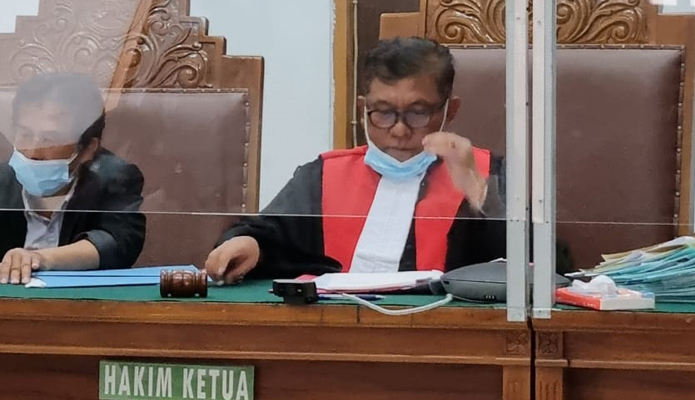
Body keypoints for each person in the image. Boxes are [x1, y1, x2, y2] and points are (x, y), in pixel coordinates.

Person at [205, 37, 569, 284]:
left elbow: (550, 268)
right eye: (382, 112)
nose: (398, 130)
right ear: (363, 108)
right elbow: (268, 237)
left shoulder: (487, 174)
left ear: (450, 110)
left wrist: (481, 195)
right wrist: (248, 245)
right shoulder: (324, 175)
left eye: (418, 112)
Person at [0, 73, 146, 285]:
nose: (32, 151)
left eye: (49, 139)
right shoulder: (3, 180)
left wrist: (39, 258)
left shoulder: (114, 178)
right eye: (25, 134)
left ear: (88, 149)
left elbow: (116, 242)